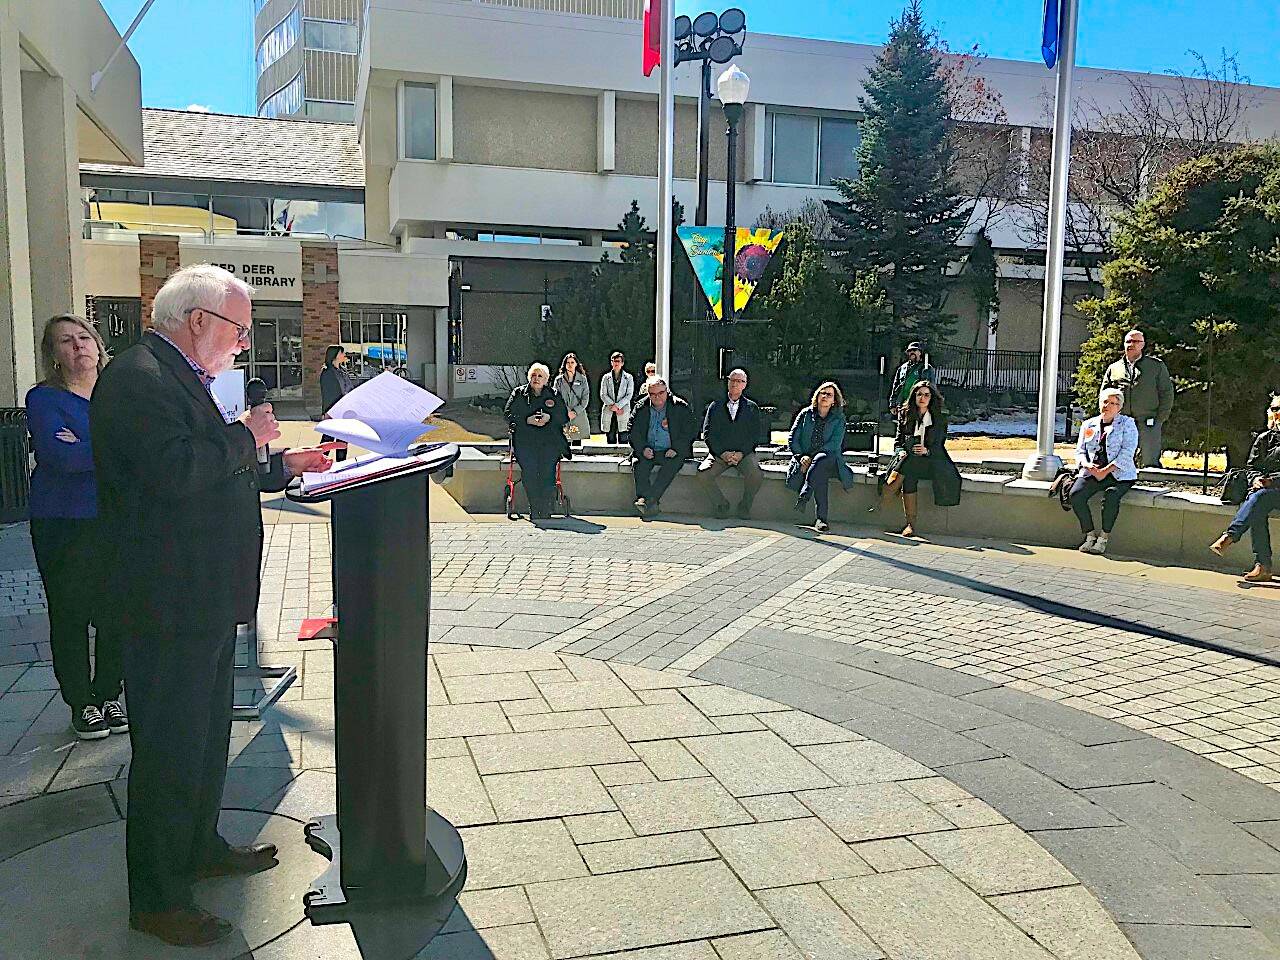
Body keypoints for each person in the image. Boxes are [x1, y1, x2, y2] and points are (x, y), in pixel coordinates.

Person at [90, 264, 335, 947]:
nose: (242, 343)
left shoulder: (176, 376)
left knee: (201, 744)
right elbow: (174, 473)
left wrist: (283, 465)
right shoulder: (137, 379)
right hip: (165, 602)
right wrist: (249, 438)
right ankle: (158, 898)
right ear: (198, 320)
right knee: (169, 751)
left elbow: (208, 463)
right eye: (238, 328)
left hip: (202, 598)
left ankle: (198, 847)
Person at [25, 315, 125, 741]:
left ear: (98, 345)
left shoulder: (119, 394)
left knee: (117, 611)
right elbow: (60, 457)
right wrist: (118, 451)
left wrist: (87, 446)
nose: (78, 346)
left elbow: (91, 452)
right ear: (54, 354)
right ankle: (81, 702)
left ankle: (108, 694)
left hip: (115, 518)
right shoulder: (44, 399)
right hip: (63, 522)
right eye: (65, 341)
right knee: (69, 612)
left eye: (84, 337)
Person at [1210, 395, 1280, 582]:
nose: (1277, 413)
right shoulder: (1264, 438)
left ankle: (1231, 537)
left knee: (1259, 499)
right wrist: (1256, 479)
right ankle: (1262, 565)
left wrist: (1271, 481)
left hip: (1275, 489)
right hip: (1266, 492)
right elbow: (1251, 467)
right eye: (1274, 409)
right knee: (1258, 501)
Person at [879, 380, 961, 537]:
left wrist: (927, 450)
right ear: (913, 396)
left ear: (931, 398)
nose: (922, 398)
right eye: (919, 394)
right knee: (909, 472)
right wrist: (901, 451)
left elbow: (939, 445)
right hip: (908, 460)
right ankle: (910, 524)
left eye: (926, 395)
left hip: (932, 462)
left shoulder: (939, 418)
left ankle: (886, 495)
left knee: (909, 467)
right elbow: (898, 442)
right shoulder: (905, 414)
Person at [1069, 387, 1139, 555]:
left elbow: (1128, 452)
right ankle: (1090, 535)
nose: (1108, 406)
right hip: (1093, 471)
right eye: (1105, 402)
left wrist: (1106, 470)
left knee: (1110, 497)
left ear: (1119, 407)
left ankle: (1103, 538)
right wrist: (1087, 465)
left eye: (1113, 403)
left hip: (1118, 474)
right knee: (1076, 495)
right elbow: (1080, 451)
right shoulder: (1089, 424)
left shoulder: (1127, 424)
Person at [786, 381, 855, 533]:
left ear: (834, 401)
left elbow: (834, 445)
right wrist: (800, 456)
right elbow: (793, 438)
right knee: (819, 473)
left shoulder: (839, 418)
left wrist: (811, 457)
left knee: (821, 461)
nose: (824, 396)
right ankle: (821, 519)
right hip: (806, 459)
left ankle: (805, 495)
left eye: (829, 394)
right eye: (822, 393)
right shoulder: (805, 414)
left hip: (829, 458)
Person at [1100, 329, 1173, 468]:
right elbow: (1104, 394)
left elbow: (1166, 392)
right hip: (1122, 420)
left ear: (1143, 345)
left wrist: (1160, 418)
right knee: (1119, 458)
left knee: (1149, 460)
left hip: (1148, 419)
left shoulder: (1155, 366)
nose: (1131, 344)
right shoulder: (1114, 368)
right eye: (1128, 341)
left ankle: (1150, 486)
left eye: (1135, 341)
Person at [505, 363, 568, 519]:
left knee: (547, 471)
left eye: (540, 376)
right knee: (530, 471)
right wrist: (527, 420)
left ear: (546, 379)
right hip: (525, 442)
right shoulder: (519, 393)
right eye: (533, 375)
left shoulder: (554, 394)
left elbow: (563, 417)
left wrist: (549, 418)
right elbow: (508, 414)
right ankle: (534, 506)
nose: (536, 378)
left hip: (550, 442)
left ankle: (546, 507)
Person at [699, 368, 763, 519]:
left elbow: (755, 436)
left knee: (756, 474)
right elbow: (708, 434)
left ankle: (744, 506)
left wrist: (741, 453)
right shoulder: (715, 406)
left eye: (739, 381)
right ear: (727, 382)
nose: (735, 384)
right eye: (732, 380)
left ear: (745, 385)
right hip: (720, 454)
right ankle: (721, 505)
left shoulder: (752, 408)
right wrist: (722, 453)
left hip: (743, 454)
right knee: (703, 473)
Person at [629, 375, 695, 517]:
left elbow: (690, 431)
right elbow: (632, 431)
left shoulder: (680, 406)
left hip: (671, 451)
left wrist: (676, 448)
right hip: (648, 450)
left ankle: (647, 500)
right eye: (652, 394)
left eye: (661, 393)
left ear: (667, 391)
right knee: (639, 464)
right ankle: (648, 501)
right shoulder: (641, 407)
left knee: (670, 467)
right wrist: (642, 448)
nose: (657, 397)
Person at [319, 343, 354, 461]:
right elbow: (326, 394)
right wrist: (325, 412)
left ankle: (341, 463)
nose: (344, 355)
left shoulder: (342, 371)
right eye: (341, 353)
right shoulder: (327, 372)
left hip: (344, 410)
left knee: (343, 439)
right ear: (335, 355)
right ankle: (320, 461)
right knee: (328, 438)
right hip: (333, 410)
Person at [554, 352, 591, 447]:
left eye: (572, 362)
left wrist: (575, 411)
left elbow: (585, 398)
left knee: (577, 442)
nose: (570, 365)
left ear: (576, 364)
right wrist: (567, 411)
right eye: (568, 362)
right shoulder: (558, 380)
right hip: (563, 414)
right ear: (564, 364)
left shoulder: (582, 379)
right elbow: (556, 398)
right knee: (564, 440)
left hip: (578, 415)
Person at [888, 342, 934, 417]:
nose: (912, 352)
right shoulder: (902, 368)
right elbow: (896, 387)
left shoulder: (926, 368)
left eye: (914, 350)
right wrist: (892, 404)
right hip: (902, 405)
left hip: (919, 405)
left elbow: (932, 387)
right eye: (909, 351)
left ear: (920, 352)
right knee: (902, 427)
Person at [599, 351, 634, 444]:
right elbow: (603, 394)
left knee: (623, 437)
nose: (616, 363)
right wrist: (613, 406)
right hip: (609, 409)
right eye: (614, 361)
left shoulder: (629, 377)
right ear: (611, 362)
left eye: (618, 361)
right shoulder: (605, 377)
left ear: (622, 363)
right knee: (610, 437)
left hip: (623, 410)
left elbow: (629, 395)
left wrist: (618, 406)